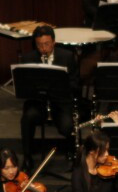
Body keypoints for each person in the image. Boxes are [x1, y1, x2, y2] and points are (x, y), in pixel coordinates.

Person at [19, 25, 80, 170]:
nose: (43, 48)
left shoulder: (67, 57)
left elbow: (75, 83)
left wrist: (61, 86)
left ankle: (72, 153)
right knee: (27, 118)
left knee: (67, 126)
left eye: (46, 44)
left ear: (54, 42)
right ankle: (27, 157)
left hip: (60, 102)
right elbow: (24, 86)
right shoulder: (28, 58)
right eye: (39, 45)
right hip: (39, 102)